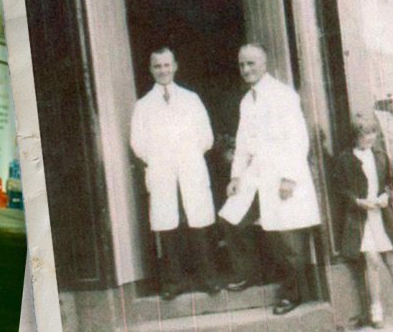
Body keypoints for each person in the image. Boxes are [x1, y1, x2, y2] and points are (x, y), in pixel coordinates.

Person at [219, 43, 322, 315]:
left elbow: (298, 137)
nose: (246, 69)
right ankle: (251, 272)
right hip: (255, 174)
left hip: (282, 173)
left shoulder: (282, 95)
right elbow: (242, 143)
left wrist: (290, 177)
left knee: (286, 238)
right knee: (232, 218)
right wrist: (236, 176)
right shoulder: (246, 101)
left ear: (264, 64)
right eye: (242, 64)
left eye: (251, 63)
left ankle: (293, 294)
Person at [130, 47, 222, 299]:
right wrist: (160, 160)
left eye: (167, 65)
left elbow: (206, 137)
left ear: (175, 66)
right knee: (167, 227)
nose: (163, 70)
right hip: (162, 172)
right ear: (151, 69)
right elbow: (138, 143)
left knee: (199, 224)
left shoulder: (191, 99)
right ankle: (174, 282)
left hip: (190, 168)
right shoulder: (143, 106)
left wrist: (186, 156)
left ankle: (208, 279)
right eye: (157, 66)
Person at [336, 112, 393, 328]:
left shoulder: (380, 156)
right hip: (361, 218)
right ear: (355, 135)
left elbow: (392, 182)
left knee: (391, 259)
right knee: (371, 261)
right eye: (364, 134)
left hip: (382, 215)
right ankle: (375, 309)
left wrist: (385, 196)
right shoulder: (345, 159)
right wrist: (358, 202)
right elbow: (341, 190)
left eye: (372, 133)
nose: (369, 138)